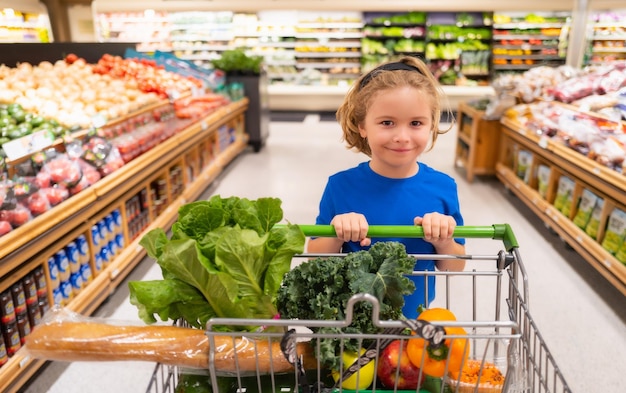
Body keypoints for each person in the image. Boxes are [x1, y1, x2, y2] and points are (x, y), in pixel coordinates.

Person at [307, 56, 466, 319]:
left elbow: (454, 267)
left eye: (416, 123)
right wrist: (337, 232)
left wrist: (445, 240)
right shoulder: (340, 186)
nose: (402, 136)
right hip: (350, 324)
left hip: (415, 323)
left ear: (431, 124)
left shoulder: (442, 187)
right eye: (387, 123)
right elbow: (315, 257)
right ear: (362, 126)